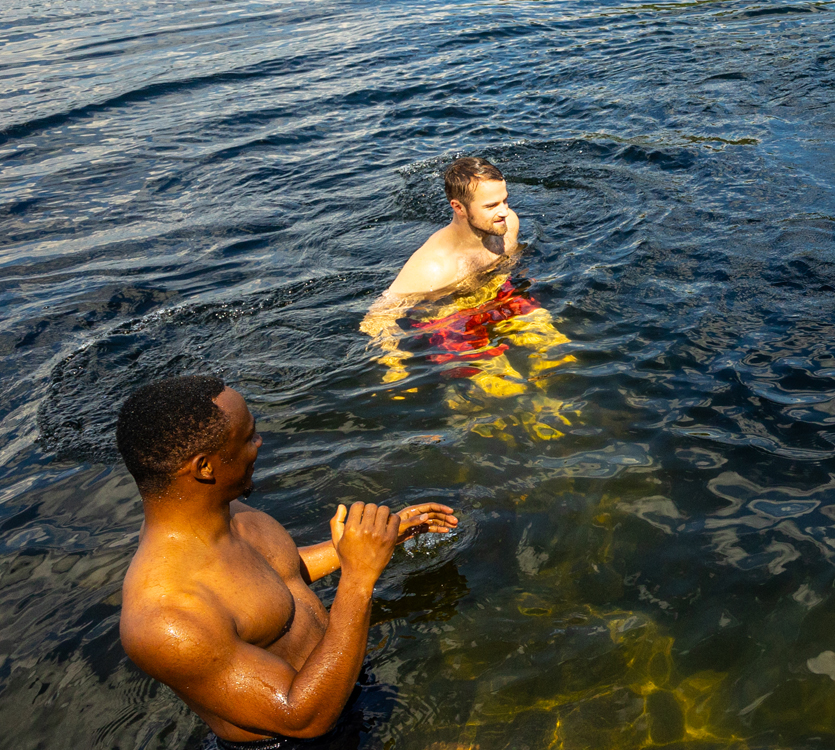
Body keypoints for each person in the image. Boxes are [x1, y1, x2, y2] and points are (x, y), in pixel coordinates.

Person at [115, 376, 459, 747]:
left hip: (343, 684)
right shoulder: (165, 620)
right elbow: (301, 718)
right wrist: (359, 577)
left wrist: (367, 544)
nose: (260, 444)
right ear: (204, 467)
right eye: (248, 437)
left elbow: (281, 575)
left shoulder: (228, 513)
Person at [359, 157, 573, 401]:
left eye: (505, 200)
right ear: (459, 207)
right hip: (452, 317)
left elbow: (513, 262)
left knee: (559, 354)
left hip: (499, 294)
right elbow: (376, 318)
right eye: (491, 205)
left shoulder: (506, 225)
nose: (504, 211)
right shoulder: (433, 267)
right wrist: (395, 366)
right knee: (506, 392)